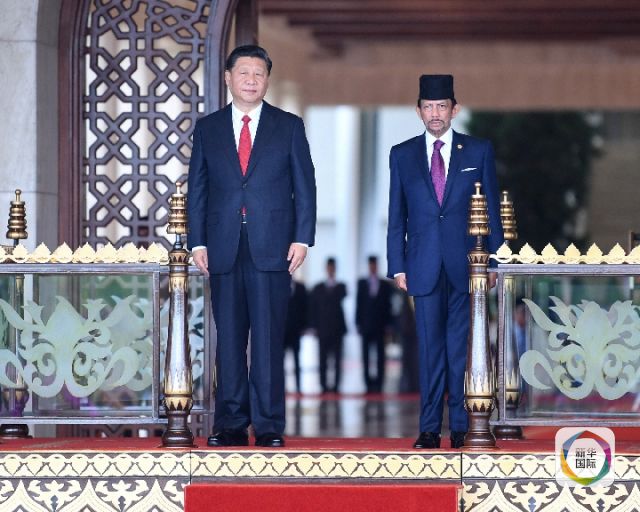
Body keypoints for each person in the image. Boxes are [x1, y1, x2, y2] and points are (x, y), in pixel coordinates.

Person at [187, 45, 316, 448]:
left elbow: (305, 186)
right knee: (228, 339)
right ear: (228, 78)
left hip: (273, 246)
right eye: (243, 73)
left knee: (267, 338)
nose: (251, 80)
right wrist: (197, 241)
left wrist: (302, 238)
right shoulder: (208, 129)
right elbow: (197, 190)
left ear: (267, 81)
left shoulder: (288, 126)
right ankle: (230, 423)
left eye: (258, 74)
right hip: (222, 246)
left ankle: (269, 425)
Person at [386, 74, 503, 449]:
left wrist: (493, 262)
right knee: (429, 351)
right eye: (428, 107)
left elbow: (491, 210)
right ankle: (428, 429)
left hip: (467, 267)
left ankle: (461, 427)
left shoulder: (478, 151)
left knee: (461, 352)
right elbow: (396, 215)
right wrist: (397, 265)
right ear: (418, 111)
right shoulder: (402, 154)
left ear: (455, 109)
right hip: (421, 266)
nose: (435, 113)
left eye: (442, 106)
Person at [355, 255, 393, 393]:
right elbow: (359, 304)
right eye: (371, 264)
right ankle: (368, 383)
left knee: (380, 356)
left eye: (374, 264)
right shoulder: (362, 283)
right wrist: (358, 323)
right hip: (366, 325)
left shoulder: (385, 285)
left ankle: (379, 383)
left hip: (380, 325)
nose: (373, 267)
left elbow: (388, 306)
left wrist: (389, 324)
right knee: (366, 356)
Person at [309, 257, 347, 394]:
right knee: (323, 359)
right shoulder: (318, 288)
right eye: (329, 267)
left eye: (332, 267)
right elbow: (313, 309)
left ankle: (336, 386)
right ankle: (323, 385)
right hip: (323, 329)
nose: (331, 270)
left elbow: (342, 297)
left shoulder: (340, 287)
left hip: (337, 329)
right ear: (326, 268)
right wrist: (313, 326)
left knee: (337, 359)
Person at [284, 279, 308, 394]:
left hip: (296, 331)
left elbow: (305, 308)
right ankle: (282, 386)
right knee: (280, 361)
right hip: (282, 331)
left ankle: (298, 386)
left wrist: (304, 326)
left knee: (297, 359)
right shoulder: (278, 285)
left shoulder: (300, 288)